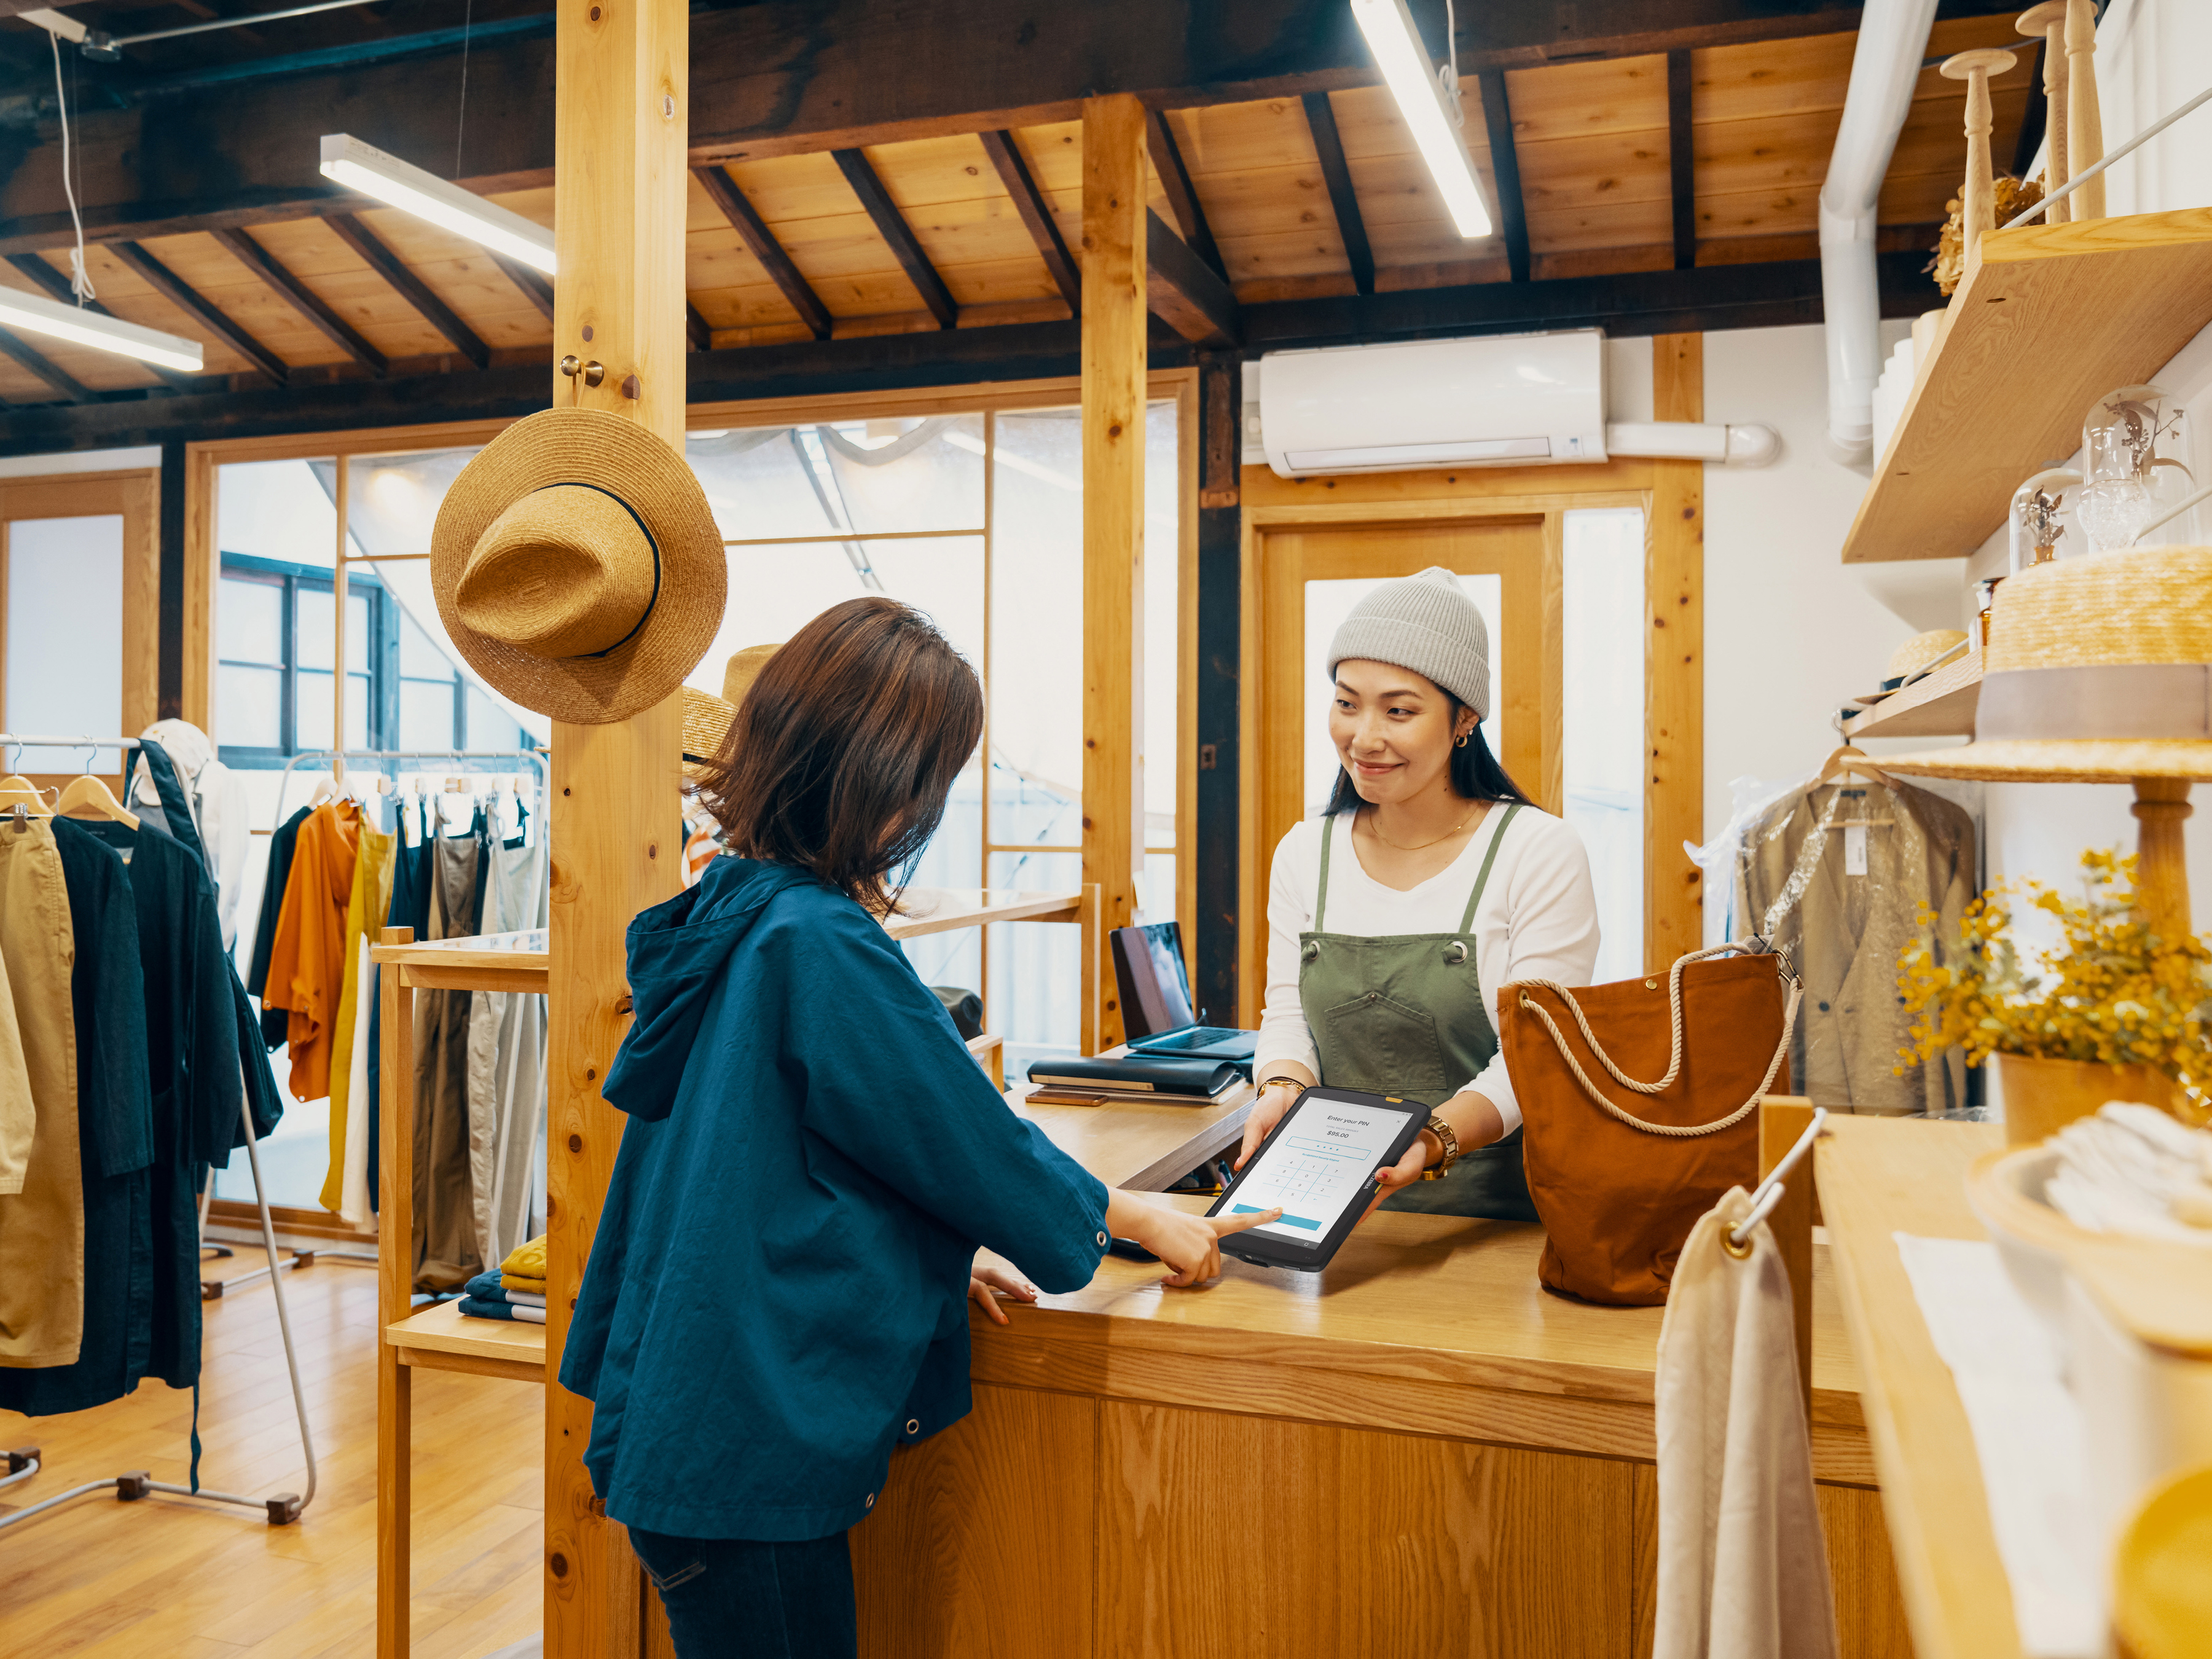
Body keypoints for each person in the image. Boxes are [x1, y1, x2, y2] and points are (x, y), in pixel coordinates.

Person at [560, 595, 1276, 1659]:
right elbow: (966, 1145)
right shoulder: (820, 940)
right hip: (741, 1445)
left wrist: (937, 1257)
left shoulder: (738, 908)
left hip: (694, 1417)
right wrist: (1138, 1219)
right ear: (887, 788)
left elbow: (815, 1155)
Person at [1237, 567, 1601, 1222]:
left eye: (1399, 710)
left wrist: (1435, 1138)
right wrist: (1283, 1085)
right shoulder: (1305, 853)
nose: (1364, 737)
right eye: (1347, 703)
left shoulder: (1536, 851)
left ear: (1464, 718)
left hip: (1498, 1219)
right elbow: (1287, 1012)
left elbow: (1538, 1058)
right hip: (1329, 1208)